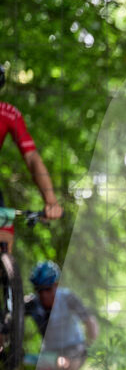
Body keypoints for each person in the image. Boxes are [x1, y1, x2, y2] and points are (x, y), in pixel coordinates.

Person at [0, 64, 63, 248]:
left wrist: (50, 200)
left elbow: (32, 158)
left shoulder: (8, 114)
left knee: (4, 237)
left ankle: (6, 271)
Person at [25, 260, 98, 370]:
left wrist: (90, 344)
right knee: (33, 369)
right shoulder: (32, 303)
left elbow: (89, 321)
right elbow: (9, 319)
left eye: (47, 289)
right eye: (39, 290)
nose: (43, 295)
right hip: (50, 352)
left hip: (75, 348)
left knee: (67, 366)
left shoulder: (68, 298)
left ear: (56, 285)